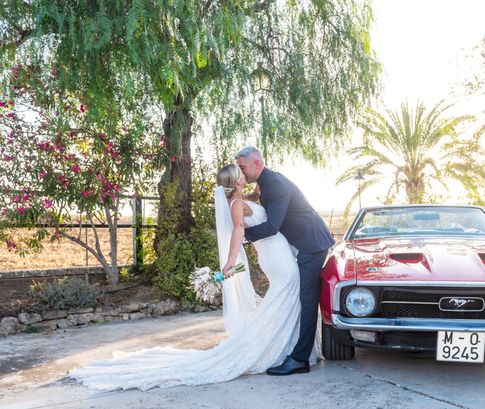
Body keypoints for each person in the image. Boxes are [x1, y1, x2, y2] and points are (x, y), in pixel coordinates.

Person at [69, 162, 308, 391]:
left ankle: (287, 347)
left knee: (284, 296)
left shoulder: (237, 200)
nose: (245, 174)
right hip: (275, 255)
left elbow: (248, 213)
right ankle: (275, 349)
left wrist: (257, 194)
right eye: (241, 172)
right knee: (286, 293)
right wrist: (231, 260)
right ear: (236, 180)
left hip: (275, 252)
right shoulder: (236, 204)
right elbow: (238, 230)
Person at [235, 146, 334, 375]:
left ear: (257, 163)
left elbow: (271, 227)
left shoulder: (275, 184)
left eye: (243, 168)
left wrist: (242, 237)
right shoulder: (267, 182)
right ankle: (299, 351)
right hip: (302, 243)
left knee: (307, 299)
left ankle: (300, 359)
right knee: (302, 297)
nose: (242, 173)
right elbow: (260, 203)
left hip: (311, 243)